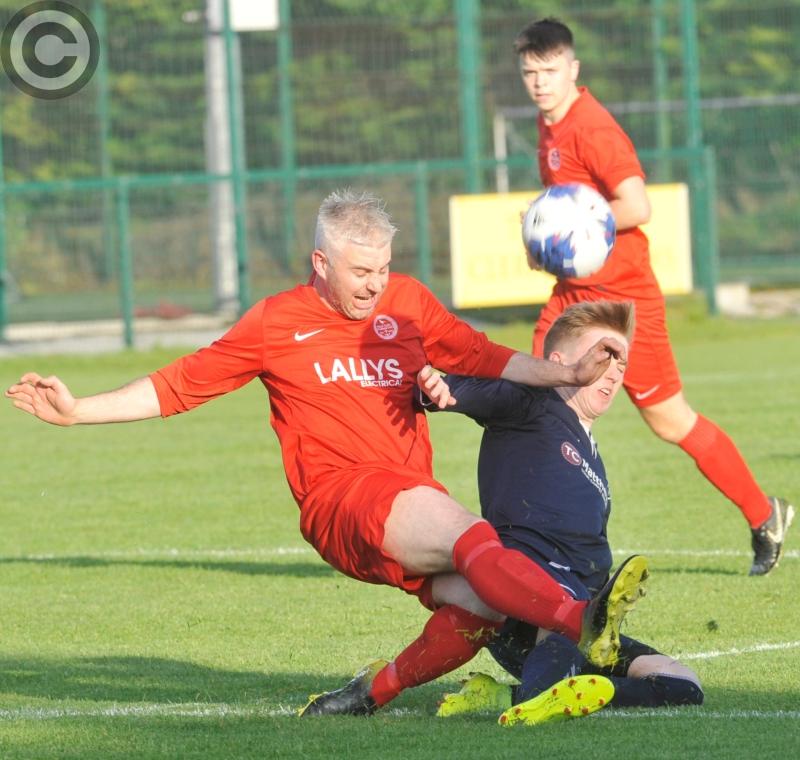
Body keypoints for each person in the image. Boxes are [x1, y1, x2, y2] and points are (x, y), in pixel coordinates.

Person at [6, 189, 648, 715]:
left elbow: (487, 357)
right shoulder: (274, 323)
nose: (374, 286)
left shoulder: (409, 305)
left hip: (401, 499)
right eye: (360, 272)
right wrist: (78, 410)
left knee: (480, 604)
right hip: (342, 497)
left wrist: (564, 375)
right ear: (321, 263)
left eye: (383, 269)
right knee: (474, 538)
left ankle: (370, 694)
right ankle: (578, 620)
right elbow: (177, 385)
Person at [513, 17, 793, 576]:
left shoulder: (592, 129)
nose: (540, 82)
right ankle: (541, 546)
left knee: (671, 423)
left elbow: (637, 206)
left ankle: (765, 514)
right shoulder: (549, 125)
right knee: (535, 393)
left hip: (622, 300)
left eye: (549, 71)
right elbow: (571, 211)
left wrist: (574, 230)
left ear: (572, 68)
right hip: (572, 293)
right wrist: (546, 242)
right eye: (529, 73)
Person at [425, 300, 703, 724]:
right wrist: (431, 387)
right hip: (527, 602)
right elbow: (445, 390)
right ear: (557, 364)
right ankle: (541, 696)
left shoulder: (591, 452)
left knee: (683, 685)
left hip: (581, 619)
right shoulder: (530, 400)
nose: (612, 371)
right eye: (601, 356)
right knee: (559, 631)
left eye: (620, 363)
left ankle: (512, 696)